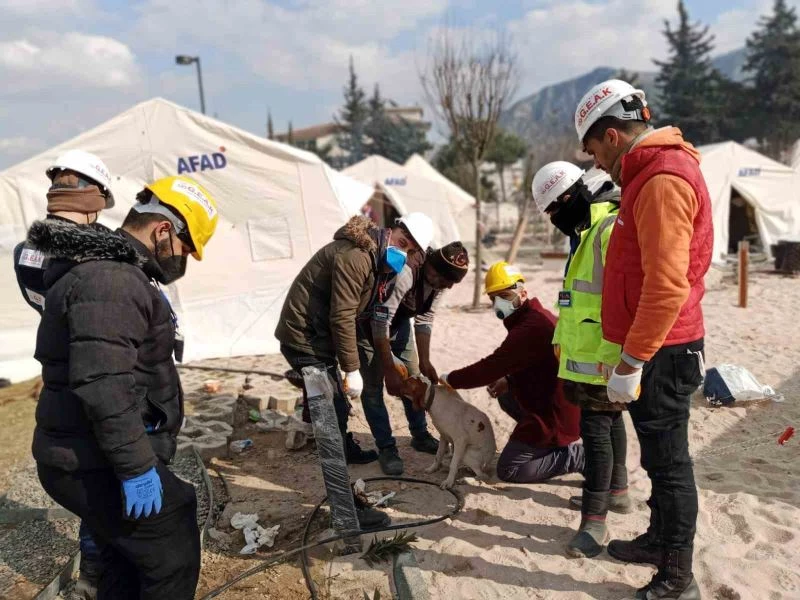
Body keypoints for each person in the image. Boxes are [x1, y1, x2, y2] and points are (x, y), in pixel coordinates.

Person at [28, 175, 219, 599]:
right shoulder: (112, 280)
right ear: (163, 229)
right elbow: (103, 383)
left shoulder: (118, 272)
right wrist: (136, 468)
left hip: (91, 452)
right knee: (172, 546)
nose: (183, 260)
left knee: (123, 557)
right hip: (88, 459)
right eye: (186, 248)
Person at [575, 79, 710, 599]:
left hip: (663, 348)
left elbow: (666, 284)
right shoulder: (646, 177)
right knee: (657, 458)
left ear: (611, 136)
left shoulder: (660, 181)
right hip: (656, 343)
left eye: (593, 151)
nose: (595, 163)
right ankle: (660, 541)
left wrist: (632, 360)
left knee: (671, 464)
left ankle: (678, 578)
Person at [274, 212, 433, 528]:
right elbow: (342, 316)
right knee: (329, 416)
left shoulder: (379, 263)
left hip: (319, 338)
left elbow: (368, 312)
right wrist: (352, 369)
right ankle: (346, 512)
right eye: (402, 242)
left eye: (411, 250)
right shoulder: (356, 256)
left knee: (335, 407)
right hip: (305, 337)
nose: (403, 252)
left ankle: (345, 449)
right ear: (392, 230)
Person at [13, 149, 114, 600]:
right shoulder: (98, 255)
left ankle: (94, 573)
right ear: (93, 201)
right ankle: (105, 569)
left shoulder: (25, 252)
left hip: (60, 371)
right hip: (102, 371)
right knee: (109, 470)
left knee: (90, 474)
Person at [532, 161, 630, 560]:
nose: (554, 219)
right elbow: (576, 295)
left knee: (595, 432)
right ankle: (618, 493)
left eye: (555, 209)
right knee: (609, 422)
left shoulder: (607, 228)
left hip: (606, 357)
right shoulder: (585, 230)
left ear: (572, 197)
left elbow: (625, 298)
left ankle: (594, 521)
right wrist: (560, 337)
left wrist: (624, 357)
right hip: (588, 353)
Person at [440, 262, 584, 483]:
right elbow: (529, 362)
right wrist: (508, 379)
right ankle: (541, 444)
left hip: (555, 415)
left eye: (504, 295)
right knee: (506, 396)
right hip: (554, 402)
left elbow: (489, 368)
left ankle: (575, 457)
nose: (498, 302)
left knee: (510, 469)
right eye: (493, 297)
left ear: (523, 293)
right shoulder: (531, 317)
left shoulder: (531, 327)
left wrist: (451, 379)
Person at [358, 241, 470, 475]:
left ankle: (419, 435)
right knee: (373, 388)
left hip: (398, 326)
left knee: (415, 378)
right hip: (369, 328)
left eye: (452, 283)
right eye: (445, 279)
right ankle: (386, 448)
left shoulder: (439, 284)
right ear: (432, 267)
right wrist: (389, 369)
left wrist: (425, 360)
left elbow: (425, 319)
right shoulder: (406, 275)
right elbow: (380, 322)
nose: (447, 286)